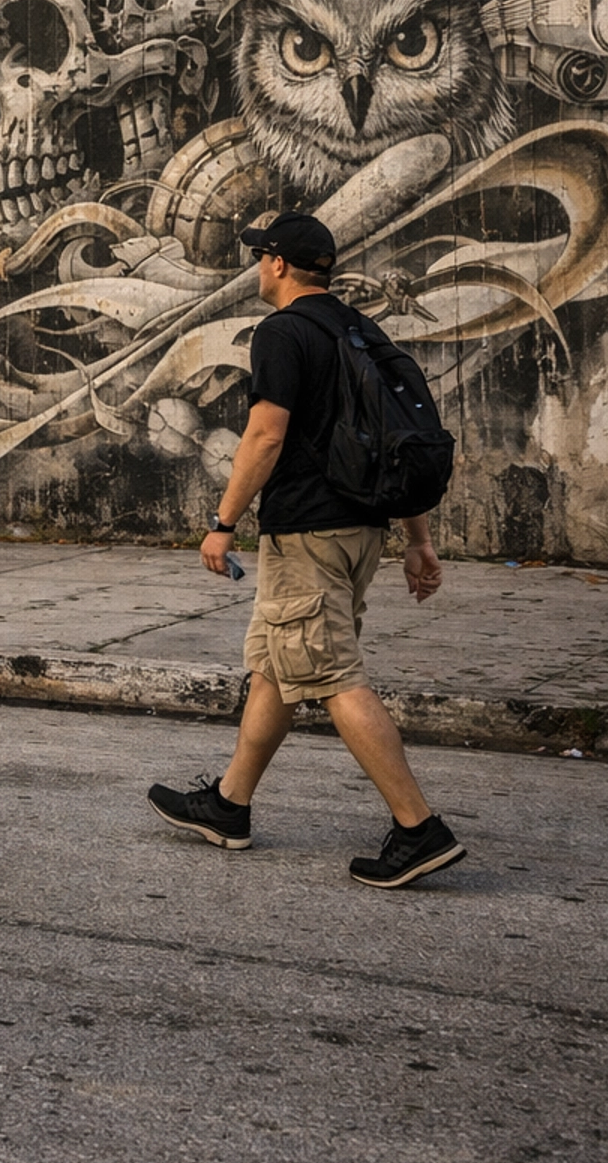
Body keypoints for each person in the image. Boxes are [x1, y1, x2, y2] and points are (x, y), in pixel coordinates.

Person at [147, 212, 465, 888]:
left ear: (280, 265)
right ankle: (230, 804)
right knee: (277, 665)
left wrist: (222, 521)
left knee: (329, 675)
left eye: (260, 257)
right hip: (360, 530)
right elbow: (395, 433)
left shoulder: (284, 332)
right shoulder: (358, 329)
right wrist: (419, 540)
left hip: (310, 534)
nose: (258, 268)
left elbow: (265, 434)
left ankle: (418, 827)